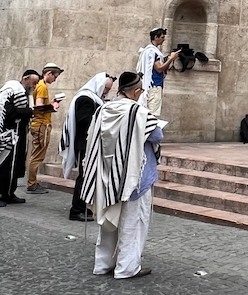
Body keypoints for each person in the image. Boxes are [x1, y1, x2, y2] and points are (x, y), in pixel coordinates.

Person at [81, 71, 162, 279]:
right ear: (136, 92)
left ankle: (103, 263)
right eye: (141, 90)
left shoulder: (103, 109)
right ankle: (127, 267)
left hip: (106, 174)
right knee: (132, 222)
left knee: (109, 220)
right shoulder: (138, 113)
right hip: (135, 176)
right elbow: (157, 134)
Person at [59, 72, 115, 222]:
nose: (106, 92)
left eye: (108, 89)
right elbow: (84, 121)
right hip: (85, 144)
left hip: (89, 143)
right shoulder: (86, 98)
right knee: (84, 177)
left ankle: (83, 207)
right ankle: (76, 209)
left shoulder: (93, 98)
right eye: (106, 88)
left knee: (87, 176)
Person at [0, 69, 41, 208]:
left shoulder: (25, 93)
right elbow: (8, 112)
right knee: (1, 165)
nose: (33, 86)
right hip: (7, 134)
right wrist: (30, 112)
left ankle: (8, 193)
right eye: (33, 83)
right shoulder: (11, 90)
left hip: (19, 134)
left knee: (15, 166)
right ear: (25, 78)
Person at [26, 63, 64, 194]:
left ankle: (32, 182)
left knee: (36, 155)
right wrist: (53, 105)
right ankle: (31, 184)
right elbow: (39, 107)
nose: (55, 79)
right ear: (49, 74)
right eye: (55, 76)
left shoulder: (41, 86)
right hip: (41, 124)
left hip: (40, 124)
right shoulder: (42, 86)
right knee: (37, 156)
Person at [136, 27, 180, 117]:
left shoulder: (151, 51)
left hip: (152, 86)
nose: (164, 39)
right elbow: (159, 68)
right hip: (154, 86)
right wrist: (171, 59)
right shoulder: (153, 52)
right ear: (156, 37)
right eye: (162, 37)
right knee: (152, 115)